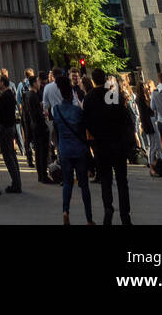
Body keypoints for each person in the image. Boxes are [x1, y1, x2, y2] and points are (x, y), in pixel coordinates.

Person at [82, 69, 132, 225]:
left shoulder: (88, 99)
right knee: (122, 181)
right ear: (104, 80)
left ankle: (108, 208)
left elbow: (86, 123)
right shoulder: (113, 96)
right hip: (117, 144)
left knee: (105, 180)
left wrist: (96, 136)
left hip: (101, 145)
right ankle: (125, 215)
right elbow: (126, 119)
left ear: (93, 80)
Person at [53, 74, 94, 226]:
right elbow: (84, 127)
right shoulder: (78, 112)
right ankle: (89, 218)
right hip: (79, 150)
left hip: (64, 150)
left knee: (67, 183)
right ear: (72, 95)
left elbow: (57, 128)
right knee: (84, 185)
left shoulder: (56, 110)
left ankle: (65, 211)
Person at [22, 75, 52, 184]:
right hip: (39, 126)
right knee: (42, 152)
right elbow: (37, 113)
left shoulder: (28, 95)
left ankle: (41, 175)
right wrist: (43, 113)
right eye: (38, 82)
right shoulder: (33, 95)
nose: (40, 84)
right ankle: (43, 175)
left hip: (34, 126)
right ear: (34, 83)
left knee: (39, 152)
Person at [0, 74, 22, 194]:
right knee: (11, 155)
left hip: (5, 128)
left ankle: (16, 183)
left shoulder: (5, 96)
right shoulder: (9, 94)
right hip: (9, 127)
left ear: (3, 83)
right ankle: (17, 182)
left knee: (8, 156)